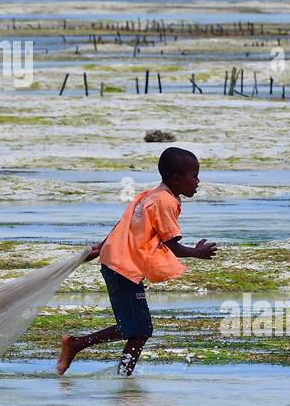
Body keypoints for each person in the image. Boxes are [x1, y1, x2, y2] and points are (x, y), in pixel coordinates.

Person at [56, 147, 218, 376]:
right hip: (123, 267)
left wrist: (102, 247)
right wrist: (197, 252)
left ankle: (121, 375)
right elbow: (173, 246)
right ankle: (79, 346)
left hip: (119, 264)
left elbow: (124, 223)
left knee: (136, 328)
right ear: (176, 179)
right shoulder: (165, 202)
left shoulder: (150, 195)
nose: (198, 181)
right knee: (140, 329)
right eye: (194, 176)